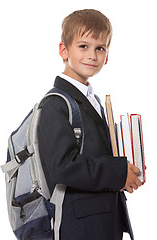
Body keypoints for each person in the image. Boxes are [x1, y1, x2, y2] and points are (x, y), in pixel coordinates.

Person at [38, 9, 143, 240]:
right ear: (63, 50)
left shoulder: (93, 99)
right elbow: (63, 166)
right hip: (80, 227)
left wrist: (126, 172)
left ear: (107, 56)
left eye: (100, 48)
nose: (92, 55)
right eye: (83, 46)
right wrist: (118, 173)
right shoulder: (56, 103)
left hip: (103, 221)